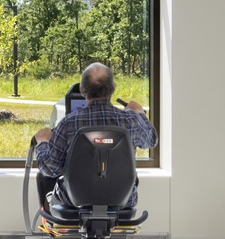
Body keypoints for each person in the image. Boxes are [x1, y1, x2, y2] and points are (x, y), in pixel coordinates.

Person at [34, 62, 155, 196]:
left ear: (82, 90)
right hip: (123, 201)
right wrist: (140, 114)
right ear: (113, 88)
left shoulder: (68, 123)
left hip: (75, 203)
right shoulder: (132, 120)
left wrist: (42, 142)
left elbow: (50, 169)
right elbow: (151, 141)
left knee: (45, 182)